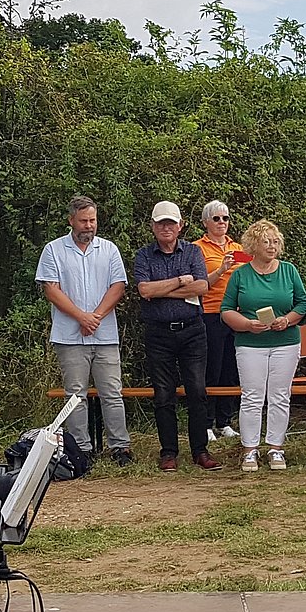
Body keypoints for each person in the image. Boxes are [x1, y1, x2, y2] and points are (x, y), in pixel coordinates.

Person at [37, 195, 132, 464]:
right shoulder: (53, 250)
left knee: (112, 392)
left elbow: (118, 286)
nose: (89, 226)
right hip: (69, 337)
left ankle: (120, 447)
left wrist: (95, 317)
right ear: (71, 221)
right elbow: (51, 289)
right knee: (75, 395)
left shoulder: (109, 249)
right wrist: (81, 317)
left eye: (92, 220)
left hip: (105, 335)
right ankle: (81, 449)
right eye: (83, 221)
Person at [218, 219, 306, 471]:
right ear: (253, 245)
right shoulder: (240, 274)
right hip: (250, 343)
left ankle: (275, 448)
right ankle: (250, 449)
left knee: (280, 395)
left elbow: (303, 303)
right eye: (266, 241)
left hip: (285, 342)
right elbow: (226, 309)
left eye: (275, 241)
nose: (272, 246)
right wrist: (247, 324)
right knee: (252, 396)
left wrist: (288, 319)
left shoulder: (289, 270)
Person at [135, 200, 219, 471]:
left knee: (197, 391)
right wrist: (181, 281)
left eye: (171, 222)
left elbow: (202, 286)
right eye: (161, 223)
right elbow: (145, 291)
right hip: (158, 333)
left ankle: (200, 451)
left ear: (180, 225)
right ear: (152, 226)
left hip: (192, 331)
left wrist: (162, 290)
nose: (166, 228)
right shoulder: (144, 255)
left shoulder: (193, 251)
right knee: (163, 395)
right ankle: (168, 452)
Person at [196, 199, 245, 441]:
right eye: (216, 218)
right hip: (211, 313)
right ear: (206, 222)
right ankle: (206, 423)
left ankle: (225, 421)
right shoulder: (197, 249)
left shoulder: (238, 247)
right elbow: (199, 285)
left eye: (225, 218)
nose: (222, 222)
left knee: (231, 369)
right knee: (211, 369)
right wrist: (222, 269)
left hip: (237, 315)